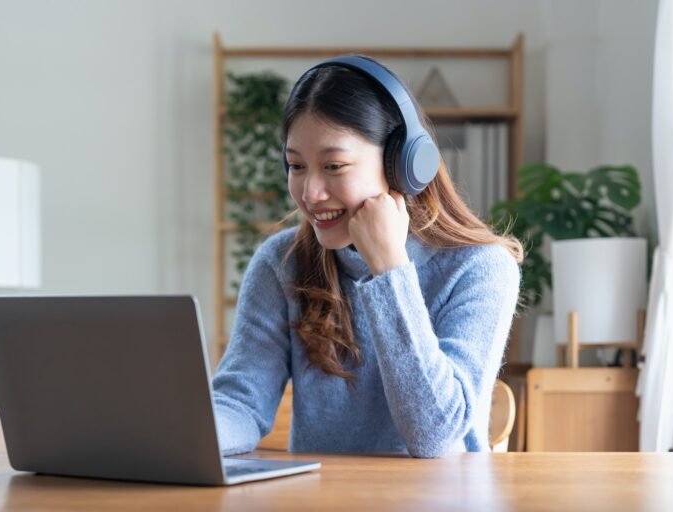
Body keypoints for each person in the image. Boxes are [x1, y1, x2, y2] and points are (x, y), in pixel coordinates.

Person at [211, 56, 523, 458]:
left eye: (334, 166)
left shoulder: (480, 268)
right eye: (296, 166)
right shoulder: (281, 262)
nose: (309, 192)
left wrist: (390, 269)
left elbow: (434, 437)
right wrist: (177, 437)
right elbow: (239, 403)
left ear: (401, 164)